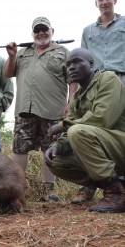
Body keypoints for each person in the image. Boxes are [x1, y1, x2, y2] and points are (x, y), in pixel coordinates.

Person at [3, 17, 78, 201]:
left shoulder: (63, 52)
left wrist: (71, 102)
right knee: (20, 148)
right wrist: (11, 55)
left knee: (50, 148)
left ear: (52, 30)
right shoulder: (21, 52)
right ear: (32, 33)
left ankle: (48, 190)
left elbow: (73, 80)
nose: (41, 33)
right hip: (24, 110)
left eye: (44, 29)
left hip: (52, 110)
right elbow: (7, 73)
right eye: (37, 30)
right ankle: (16, 188)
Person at [45, 48, 125, 213]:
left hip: (119, 144)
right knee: (56, 161)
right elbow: (70, 133)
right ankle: (115, 184)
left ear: (91, 63)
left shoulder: (108, 79)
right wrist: (57, 146)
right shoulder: (76, 98)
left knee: (78, 132)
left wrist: (61, 125)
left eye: (77, 62)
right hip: (105, 150)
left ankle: (117, 194)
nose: (71, 67)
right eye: (68, 64)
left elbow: (102, 119)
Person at [76, 0, 125, 204]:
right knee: (90, 128)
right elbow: (80, 62)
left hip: (122, 80)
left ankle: (118, 185)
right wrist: (74, 97)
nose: (104, 2)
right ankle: (88, 187)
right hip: (96, 84)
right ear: (95, 3)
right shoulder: (88, 31)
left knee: (117, 131)